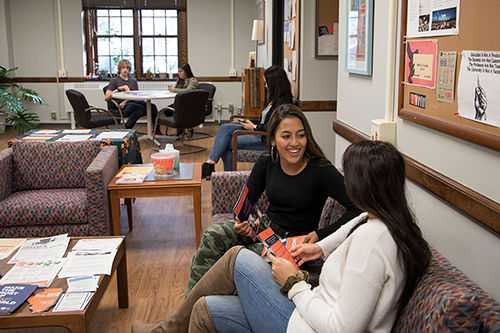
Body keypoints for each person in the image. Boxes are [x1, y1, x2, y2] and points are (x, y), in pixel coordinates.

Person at [131, 140, 432, 333]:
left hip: (305, 323)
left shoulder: (374, 242)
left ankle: (164, 331)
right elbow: (344, 232)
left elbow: (341, 328)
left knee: (236, 257)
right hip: (307, 313)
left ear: (362, 187)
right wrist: (317, 248)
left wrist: (294, 283)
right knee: (204, 309)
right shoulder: (382, 220)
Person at [185, 104, 362, 296]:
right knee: (213, 235)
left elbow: (359, 209)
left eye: (300, 135)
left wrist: (320, 235)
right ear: (272, 140)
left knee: (235, 259)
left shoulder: (321, 170)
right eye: (286, 136)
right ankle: (190, 310)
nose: (295, 143)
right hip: (265, 227)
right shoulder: (267, 162)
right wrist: (242, 221)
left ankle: (204, 311)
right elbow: (247, 200)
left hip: (292, 243)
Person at [201, 65, 293, 179]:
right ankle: (210, 164)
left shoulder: (283, 103)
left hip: (265, 138)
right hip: (258, 130)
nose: (265, 86)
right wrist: (248, 121)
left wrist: (254, 127)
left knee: (227, 144)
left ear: (275, 83)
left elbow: (275, 127)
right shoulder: (272, 98)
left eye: (267, 83)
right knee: (225, 128)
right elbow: (264, 119)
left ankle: (228, 178)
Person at [105, 59, 161, 134]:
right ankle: (126, 129)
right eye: (123, 67)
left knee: (152, 106)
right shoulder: (114, 81)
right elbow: (107, 97)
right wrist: (119, 89)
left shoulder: (133, 81)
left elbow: (136, 97)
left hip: (130, 101)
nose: (125, 70)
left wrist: (126, 101)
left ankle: (156, 129)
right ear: (119, 69)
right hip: (121, 104)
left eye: (127, 68)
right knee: (140, 109)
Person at [166, 62, 200, 136]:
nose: (179, 73)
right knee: (167, 111)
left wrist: (174, 90)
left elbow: (188, 91)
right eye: (178, 71)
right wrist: (172, 89)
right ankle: (180, 128)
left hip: (191, 104)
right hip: (181, 103)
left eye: (181, 71)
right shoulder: (180, 81)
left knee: (177, 111)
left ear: (186, 71)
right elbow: (177, 90)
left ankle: (188, 129)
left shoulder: (193, 80)